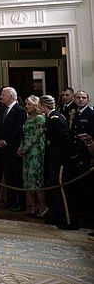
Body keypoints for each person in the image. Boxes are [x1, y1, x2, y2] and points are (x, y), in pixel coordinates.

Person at [39, 95, 79, 230]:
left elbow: (64, 141)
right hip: (54, 160)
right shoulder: (53, 117)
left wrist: (72, 155)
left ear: (44, 105)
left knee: (63, 192)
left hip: (60, 161)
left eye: (39, 104)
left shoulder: (55, 119)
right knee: (56, 191)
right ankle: (59, 217)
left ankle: (69, 221)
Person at [0, 87, 27, 212]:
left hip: (14, 149)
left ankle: (20, 203)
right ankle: (11, 200)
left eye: (3, 94)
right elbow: (1, 128)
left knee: (17, 177)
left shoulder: (20, 110)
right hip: (3, 149)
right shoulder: (3, 110)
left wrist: (6, 141)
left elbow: (19, 130)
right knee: (8, 176)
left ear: (11, 96)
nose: (1, 96)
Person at [16, 95, 47, 217]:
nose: (26, 106)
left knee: (36, 179)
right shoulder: (28, 118)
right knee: (28, 179)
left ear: (35, 105)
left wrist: (24, 149)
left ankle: (43, 206)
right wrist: (20, 148)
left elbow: (36, 136)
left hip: (36, 150)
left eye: (29, 104)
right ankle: (33, 205)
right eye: (26, 104)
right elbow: (25, 135)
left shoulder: (40, 118)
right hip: (26, 150)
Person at [69, 90, 94, 223]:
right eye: (78, 97)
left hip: (86, 154)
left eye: (83, 98)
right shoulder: (75, 113)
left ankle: (89, 213)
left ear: (87, 100)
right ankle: (82, 210)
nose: (80, 100)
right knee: (79, 184)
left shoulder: (90, 114)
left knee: (88, 185)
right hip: (76, 154)